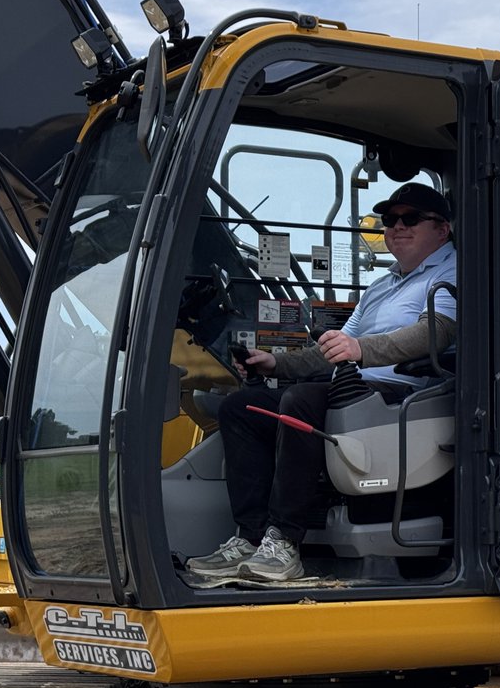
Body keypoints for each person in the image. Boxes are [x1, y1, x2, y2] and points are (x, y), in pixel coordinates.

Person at [187, 183, 458, 582]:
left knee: (300, 402)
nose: (397, 227)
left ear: (443, 229)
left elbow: (434, 333)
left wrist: (360, 351)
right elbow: (333, 351)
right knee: (240, 409)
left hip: (405, 394)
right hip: (355, 388)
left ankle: (285, 543)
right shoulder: (382, 286)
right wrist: (274, 363)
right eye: (390, 220)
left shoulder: (452, 273)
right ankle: (251, 537)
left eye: (411, 218)